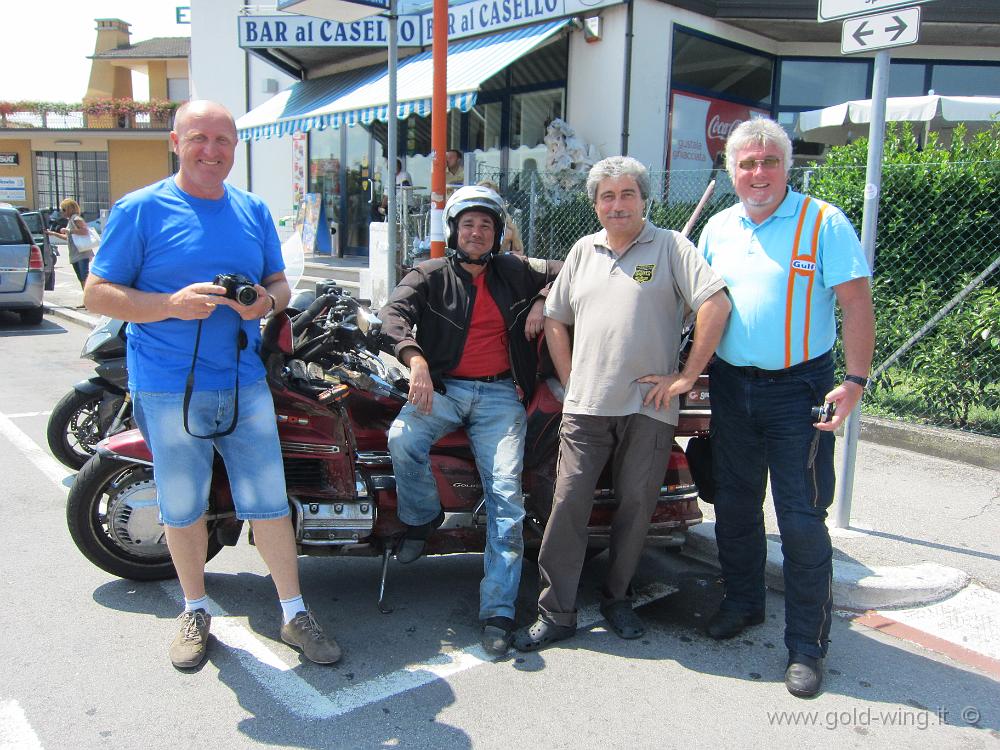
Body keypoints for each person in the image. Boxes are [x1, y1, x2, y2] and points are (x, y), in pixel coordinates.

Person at [83, 100, 340, 670]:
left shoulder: (251, 210)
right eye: (200, 138)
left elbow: (280, 283)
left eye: (223, 140)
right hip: (167, 386)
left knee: (269, 503)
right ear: (175, 141)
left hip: (245, 381)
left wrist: (264, 303)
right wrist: (168, 304)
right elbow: (97, 293)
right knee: (182, 506)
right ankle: (194, 610)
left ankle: (294, 612)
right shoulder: (141, 209)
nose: (212, 150)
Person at [512, 156, 731, 652]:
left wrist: (686, 376)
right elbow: (555, 318)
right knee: (568, 504)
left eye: (627, 194)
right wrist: (570, 380)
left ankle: (617, 598)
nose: (617, 205)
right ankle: (557, 612)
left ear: (644, 199)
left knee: (636, 508)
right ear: (595, 204)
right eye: (607, 196)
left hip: (648, 408)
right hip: (586, 407)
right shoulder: (583, 250)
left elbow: (715, 303)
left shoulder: (672, 246)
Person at [697, 118, 875, 698]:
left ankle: (806, 646)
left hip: (801, 392)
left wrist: (855, 380)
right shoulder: (719, 228)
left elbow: (855, 302)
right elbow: (695, 304)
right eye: (746, 163)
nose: (758, 173)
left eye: (769, 161)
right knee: (737, 505)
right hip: (730, 385)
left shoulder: (824, 221)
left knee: (801, 519)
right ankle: (744, 603)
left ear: (787, 165)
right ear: (731, 171)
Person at [379, 184, 561, 657]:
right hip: (444, 388)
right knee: (401, 437)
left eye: (485, 224)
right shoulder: (429, 273)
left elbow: (571, 271)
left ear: (498, 232)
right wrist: (414, 357)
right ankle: (421, 517)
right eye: (468, 224)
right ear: (454, 230)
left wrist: (543, 299)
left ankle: (498, 609)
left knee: (505, 493)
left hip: (501, 394)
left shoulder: (514, 270)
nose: (476, 232)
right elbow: (392, 313)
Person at [46, 198, 93, 289]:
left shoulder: (76, 218)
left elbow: (85, 231)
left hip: (81, 253)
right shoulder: (71, 219)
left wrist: (68, 230)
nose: (62, 212)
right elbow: (68, 238)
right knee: (81, 278)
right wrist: (53, 233)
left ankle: (88, 300)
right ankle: (86, 300)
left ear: (69, 209)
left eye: (64, 209)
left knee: (84, 278)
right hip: (75, 254)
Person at [477, 180, 525, 257]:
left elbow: (519, 251)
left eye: (491, 198)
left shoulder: (508, 224)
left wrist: (506, 257)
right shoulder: (470, 223)